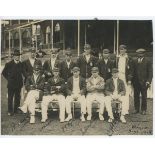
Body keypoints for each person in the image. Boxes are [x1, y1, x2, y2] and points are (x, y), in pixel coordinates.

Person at [2, 49, 24, 115]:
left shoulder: (21, 64)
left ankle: (16, 109)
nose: (17, 57)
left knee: (17, 97)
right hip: (11, 84)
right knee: (10, 98)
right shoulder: (9, 64)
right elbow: (3, 72)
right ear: (13, 56)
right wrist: (9, 79)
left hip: (19, 84)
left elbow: (23, 72)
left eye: (18, 55)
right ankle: (10, 111)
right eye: (16, 55)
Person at [132, 49, 152, 115]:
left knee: (144, 96)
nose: (140, 55)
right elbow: (133, 71)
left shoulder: (148, 61)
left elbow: (150, 72)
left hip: (144, 82)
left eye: (141, 54)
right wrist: (132, 81)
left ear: (144, 54)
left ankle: (144, 109)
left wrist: (148, 81)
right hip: (136, 82)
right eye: (138, 54)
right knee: (136, 96)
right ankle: (136, 109)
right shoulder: (134, 61)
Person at [116, 45, 134, 114]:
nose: (121, 50)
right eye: (120, 49)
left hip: (125, 77)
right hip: (118, 76)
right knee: (118, 91)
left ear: (125, 50)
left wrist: (129, 80)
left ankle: (125, 109)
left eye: (123, 49)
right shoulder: (117, 58)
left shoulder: (129, 58)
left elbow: (131, 70)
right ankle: (118, 109)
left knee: (126, 93)